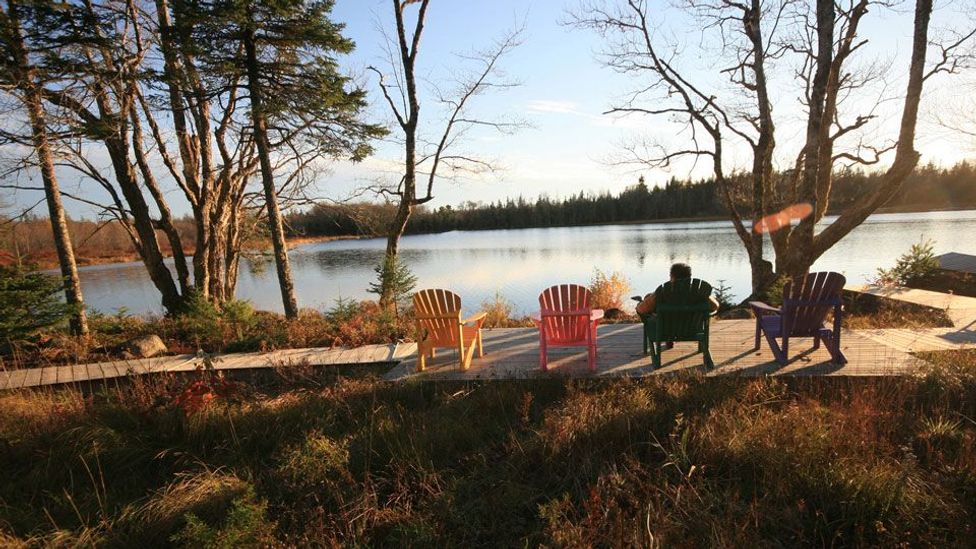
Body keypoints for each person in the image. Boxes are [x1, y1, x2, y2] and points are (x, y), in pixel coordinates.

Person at [635, 262, 719, 315]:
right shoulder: (698, 292)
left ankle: (667, 341)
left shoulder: (663, 293)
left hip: (665, 331)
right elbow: (715, 306)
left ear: (672, 276)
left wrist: (639, 304)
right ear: (690, 276)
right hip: (693, 330)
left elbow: (641, 310)